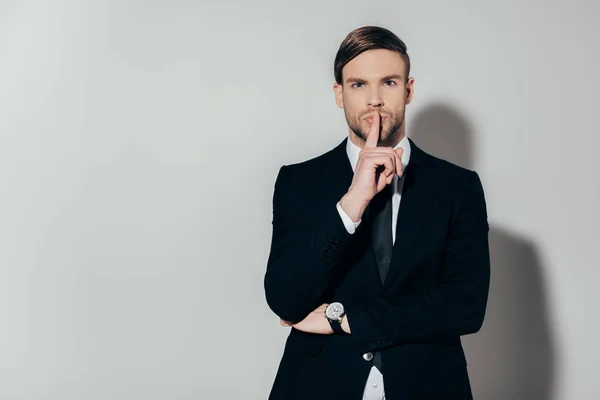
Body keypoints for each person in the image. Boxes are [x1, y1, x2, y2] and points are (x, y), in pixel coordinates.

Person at [263, 25, 490, 400]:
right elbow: (285, 299)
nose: (374, 100)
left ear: (408, 90)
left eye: (388, 82)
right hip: (317, 384)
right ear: (339, 94)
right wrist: (352, 202)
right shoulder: (298, 182)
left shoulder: (458, 186)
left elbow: (464, 308)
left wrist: (341, 318)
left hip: (429, 384)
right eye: (358, 85)